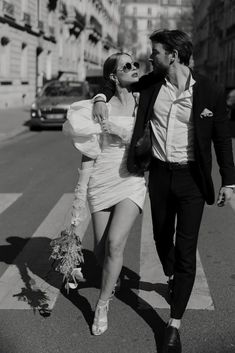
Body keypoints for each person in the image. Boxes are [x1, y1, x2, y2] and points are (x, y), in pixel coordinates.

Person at [92, 30, 235, 353]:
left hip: (192, 181)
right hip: (158, 175)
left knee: (186, 249)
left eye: (154, 52)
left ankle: (174, 324)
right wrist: (101, 98)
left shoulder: (209, 91)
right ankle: (172, 275)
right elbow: (114, 81)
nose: (149, 57)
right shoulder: (154, 83)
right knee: (160, 237)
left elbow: (222, 140)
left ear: (173, 54)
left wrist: (229, 181)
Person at [63, 52, 147, 335]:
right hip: (102, 178)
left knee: (114, 244)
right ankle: (109, 276)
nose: (135, 68)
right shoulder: (99, 106)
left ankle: (102, 304)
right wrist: (79, 196)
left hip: (132, 179)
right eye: (127, 66)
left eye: (135, 64)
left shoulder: (143, 101)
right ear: (113, 76)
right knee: (100, 252)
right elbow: (88, 155)